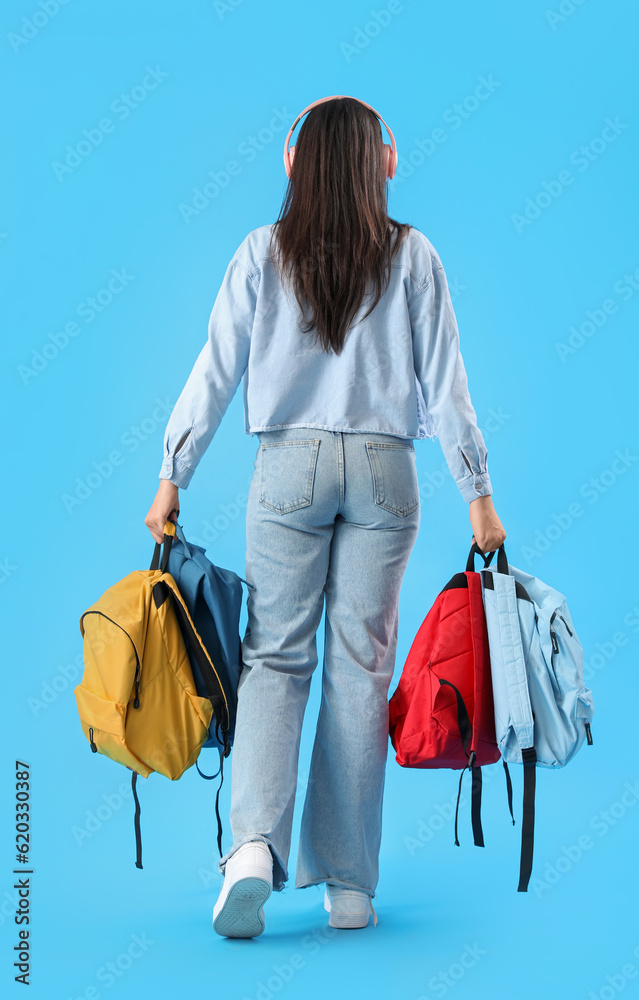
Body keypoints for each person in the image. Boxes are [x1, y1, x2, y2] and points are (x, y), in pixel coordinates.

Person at [144, 95, 506, 939]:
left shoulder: (260, 253)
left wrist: (172, 472)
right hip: (387, 472)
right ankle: (348, 885)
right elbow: (449, 390)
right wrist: (479, 497)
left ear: (290, 161)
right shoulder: (414, 256)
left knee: (273, 659)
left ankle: (252, 855)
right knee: (361, 669)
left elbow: (215, 369)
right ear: (384, 162)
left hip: (289, 471)